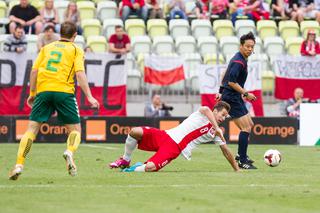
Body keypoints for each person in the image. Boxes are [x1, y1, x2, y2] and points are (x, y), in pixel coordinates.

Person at [8, 21, 100, 180]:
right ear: (75, 35)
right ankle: (69, 152)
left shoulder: (46, 48)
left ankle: (18, 165)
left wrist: (32, 93)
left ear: (60, 34)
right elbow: (80, 74)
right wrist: (90, 97)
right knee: (75, 130)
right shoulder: (76, 49)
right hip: (64, 92)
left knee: (31, 130)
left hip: (43, 91)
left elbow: (34, 71)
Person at [110, 101, 240, 172]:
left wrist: (236, 169)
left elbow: (226, 151)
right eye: (222, 114)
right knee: (135, 131)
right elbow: (206, 109)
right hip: (166, 135)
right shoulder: (204, 114)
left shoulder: (215, 134)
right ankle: (125, 160)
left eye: (225, 116)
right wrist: (217, 128)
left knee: (150, 168)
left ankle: (131, 169)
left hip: (175, 147)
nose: (223, 118)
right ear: (215, 111)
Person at [216, 32, 257, 170]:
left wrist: (220, 90)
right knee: (246, 127)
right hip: (231, 97)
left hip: (233, 96)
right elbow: (232, 82)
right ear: (241, 46)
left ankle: (241, 155)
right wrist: (246, 93)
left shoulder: (240, 58)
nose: (250, 49)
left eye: (252, 47)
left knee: (249, 124)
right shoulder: (239, 61)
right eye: (247, 46)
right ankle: (242, 160)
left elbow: (224, 73)